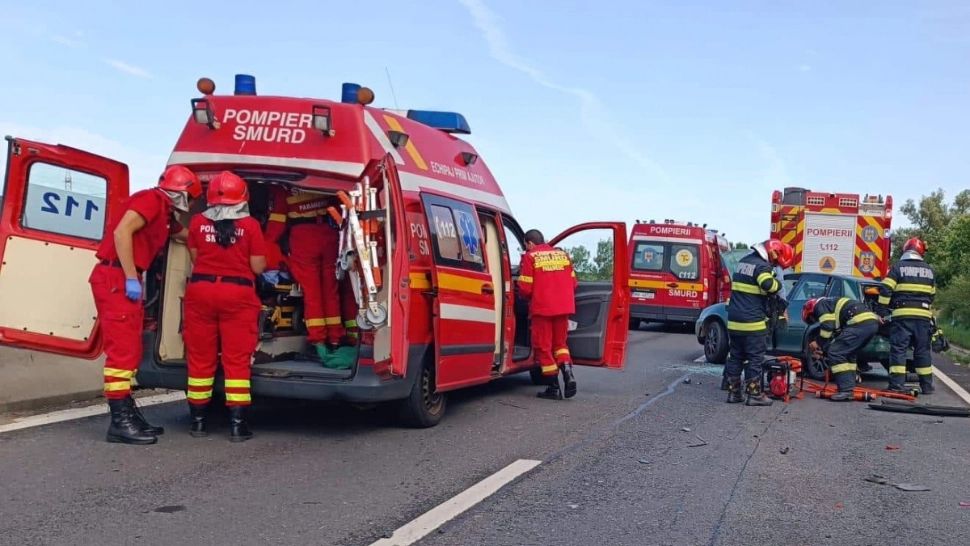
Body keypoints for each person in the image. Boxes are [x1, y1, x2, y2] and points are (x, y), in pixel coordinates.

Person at [91, 165, 202, 445]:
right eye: (191, 200)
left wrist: (217, 235)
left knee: (130, 350)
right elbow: (122, 232)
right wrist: (131, 277)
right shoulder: (150, 200)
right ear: (184, 193)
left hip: (120, 277)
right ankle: (120, 422)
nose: (190, 206)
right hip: (117, 278)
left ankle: (128, 415)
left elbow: (185, 235)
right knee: (122, 353)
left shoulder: (164, 212)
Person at [183, 172, 266, 442]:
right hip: (237, 295)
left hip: (201, 292)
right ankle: (237, 426)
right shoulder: (251, 226)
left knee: (200, 359)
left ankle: (198, 422)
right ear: (243, 197)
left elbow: (195, 258)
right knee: (236, 360)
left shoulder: (197, 222)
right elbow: (257, 267)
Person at [265, 186, 345, 365]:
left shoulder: (285, 186)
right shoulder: (322, 181)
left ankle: (318, 341)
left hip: (303, 237)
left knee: (312, 293)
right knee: (331, 291)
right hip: (329, 233)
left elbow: (277, 221)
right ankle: (335, 339)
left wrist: (265, 245)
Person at [724, 239, 793, 406]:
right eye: (776, 262)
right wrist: (777, 283)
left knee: (736, 357)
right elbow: (768, 284)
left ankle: (734, 393)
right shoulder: (762, 266)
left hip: (734, 322)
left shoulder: (743, 262)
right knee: (755, 359)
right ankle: (754, 395)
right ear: (773, 253)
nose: (774, 265)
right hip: (752, 322)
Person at [517, 229, 578, 400]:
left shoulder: (530, 257)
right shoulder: (563, 255)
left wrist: (522, 294)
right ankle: (568, 374)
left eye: (526, 245)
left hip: (542, 308)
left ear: (530, 243)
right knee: (560, 345)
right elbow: (574, 283)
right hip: (564, 307)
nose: (526, 248)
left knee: (543, 347)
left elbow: (525, 288)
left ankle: (553, 387)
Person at [878, 237, 936, 394]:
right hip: (923, 317)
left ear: (905, 250)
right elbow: (932, 295)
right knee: (922, 351)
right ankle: (927, 386)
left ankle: (897, 385)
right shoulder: (929, 270)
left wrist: (882, 311)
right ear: (921, 252)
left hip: (902, 316)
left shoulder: (898, 267)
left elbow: (886, 289)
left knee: (899, 350)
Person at [802, 296, 881, 401]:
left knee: (836, 353)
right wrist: (823, 350)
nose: (816, 320)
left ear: (810, 309)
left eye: (812, 318)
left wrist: (817, 342)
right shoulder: (831, 304)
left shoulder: (819, 306)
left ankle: (846, 390)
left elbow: (827, 326)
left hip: (858, 324)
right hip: (870, 324)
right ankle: (849, 385)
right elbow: (835, 336)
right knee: (848, 353)